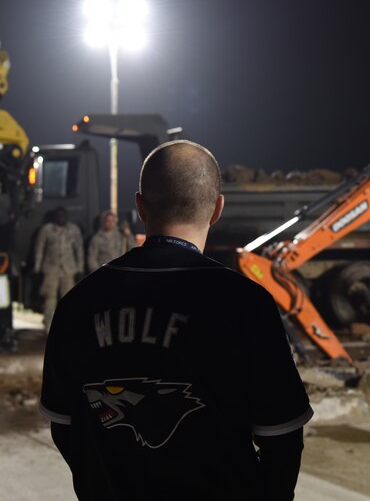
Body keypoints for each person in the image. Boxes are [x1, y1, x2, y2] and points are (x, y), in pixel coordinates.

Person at [39, 140, 312, 501]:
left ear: (139, 206)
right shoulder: (247, 304)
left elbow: (64, 425)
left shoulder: (77, 303)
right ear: (217, 209)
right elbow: (282, 437)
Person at [34, 206, 84, 330]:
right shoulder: (47, 229)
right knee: (49, 300)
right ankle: (49, 327)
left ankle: (68, 327)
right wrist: (37, 267)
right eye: (58, 215)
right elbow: (39, 248)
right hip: (51, 269)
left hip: (68, 269)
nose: (60, 217)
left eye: (63, 215)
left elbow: (79, 249)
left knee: (68, 299)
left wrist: (80, 268)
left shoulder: (73, 229)